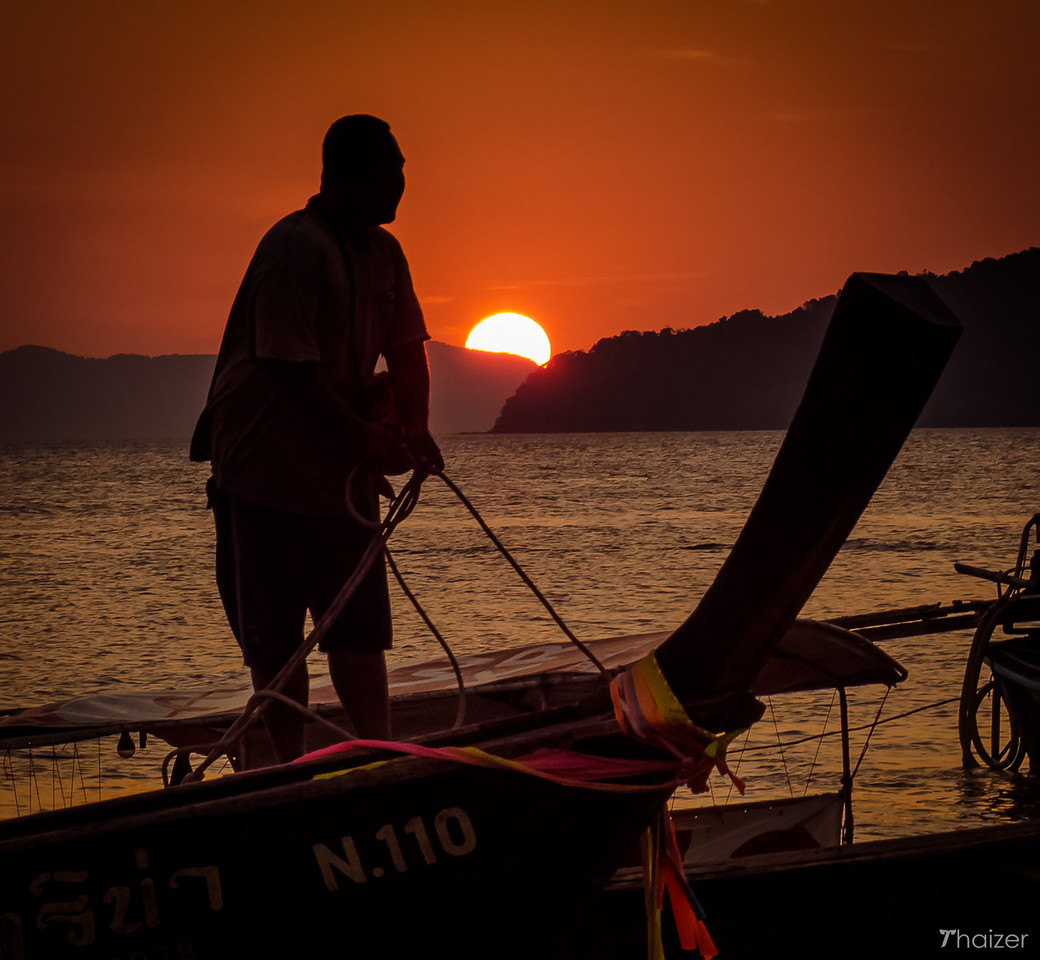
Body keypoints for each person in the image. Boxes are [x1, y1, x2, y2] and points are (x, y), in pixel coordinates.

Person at [190, 114, 442, 765]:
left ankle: (381, 755)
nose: (401, 183)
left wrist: (413, 429)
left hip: (338, 476)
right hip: (261, 472)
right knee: (275, 641)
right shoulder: (294, 248)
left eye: (402, 171)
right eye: (392, 171)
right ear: (350, 176)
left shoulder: (385, 254)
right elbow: (288, 369)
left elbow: (408, 350)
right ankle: (287, 766)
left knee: (359, 628)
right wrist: (363, 436)